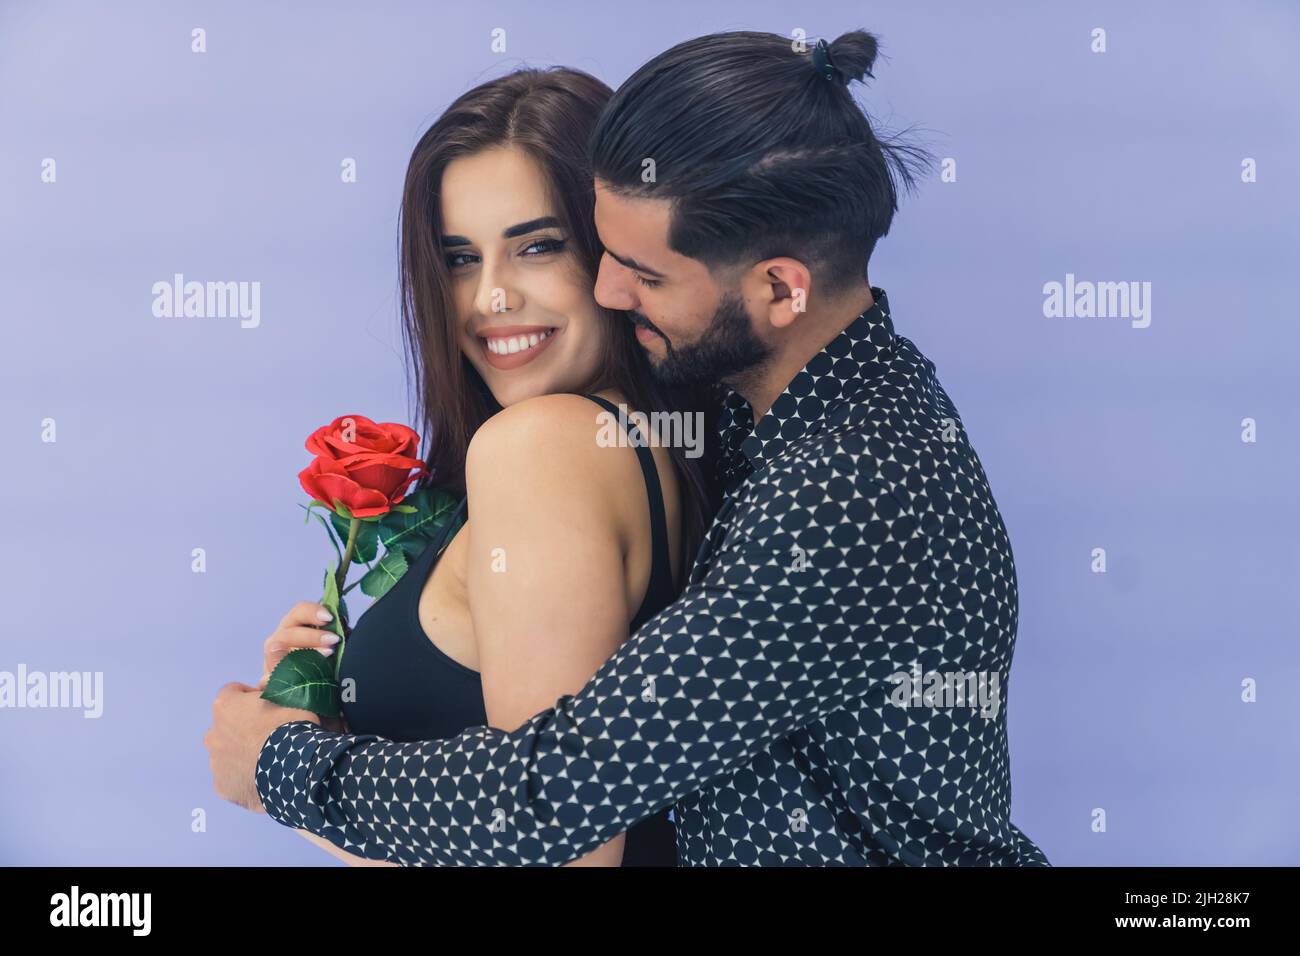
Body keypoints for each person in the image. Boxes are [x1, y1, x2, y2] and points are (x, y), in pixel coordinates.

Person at [207, 28, 1051, 866]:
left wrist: (276, 766)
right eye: (459, 256)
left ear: (780, 288)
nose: (612, 290)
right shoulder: (752, 424)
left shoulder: (848, 490)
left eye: (644, 273)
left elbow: (551, 805)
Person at [250, 66, 718, 866]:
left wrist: (280, 771)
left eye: (538, 246)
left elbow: (555, 849)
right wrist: (330, 714)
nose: (491, 299)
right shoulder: (648, 445)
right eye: (460, 259)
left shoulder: (543, 446)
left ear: (618, 255)